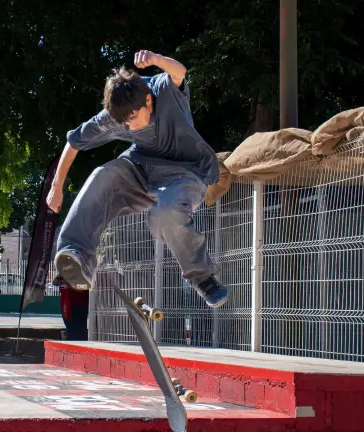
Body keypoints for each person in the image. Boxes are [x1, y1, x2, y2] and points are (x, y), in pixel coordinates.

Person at [47, 50, 229, 308]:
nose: (130, 127)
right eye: (124, 123)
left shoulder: (164, 90)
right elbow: (73, 142)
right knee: (103, 176)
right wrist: (57, 187)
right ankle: (76, 254)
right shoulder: (117, 114)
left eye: (133, 119)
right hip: (140, 167)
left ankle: (202, 277)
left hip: (186, 172)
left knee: (163, 215)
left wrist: (156, 59)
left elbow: (179, 71)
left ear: (148, 101)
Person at [54, 275, 89, 341]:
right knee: (70, 329)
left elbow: (86, 287)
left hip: (78, 306)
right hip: (66, 307)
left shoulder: (81, 274)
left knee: (78, 330)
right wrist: (60, 278)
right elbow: (55, 283)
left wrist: (71, 284)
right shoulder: (62, 275)